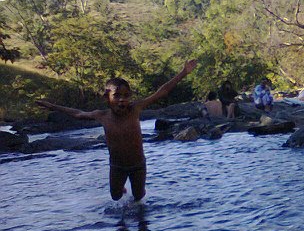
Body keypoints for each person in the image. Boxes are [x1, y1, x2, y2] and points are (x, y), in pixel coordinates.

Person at [36, 59, 198, 202]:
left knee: (138, 197)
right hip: (117, 167)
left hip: (138, 165)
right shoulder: (102, 116)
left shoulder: (135, 109)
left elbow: (162, 92)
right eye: (117, 96)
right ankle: (122, 189)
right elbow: (78, 114)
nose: (122, 100)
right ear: (107, 98)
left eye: (126, 96)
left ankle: (140, 207)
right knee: (115, 197)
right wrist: (52, 106)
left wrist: (183, 72)